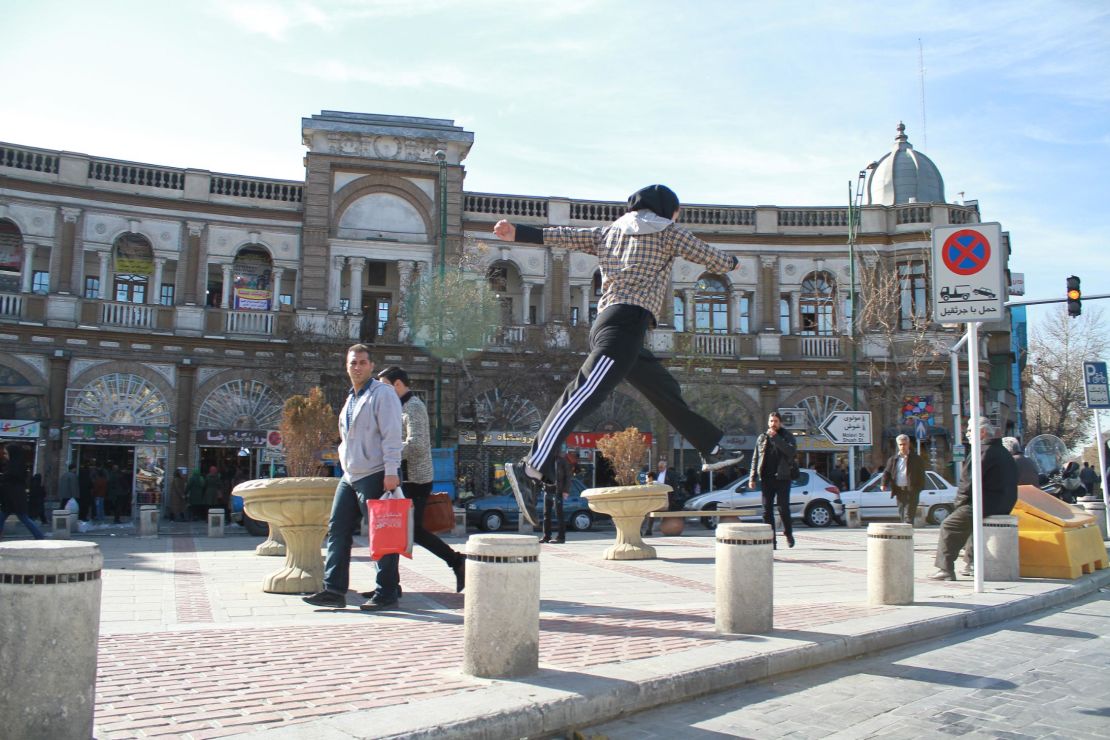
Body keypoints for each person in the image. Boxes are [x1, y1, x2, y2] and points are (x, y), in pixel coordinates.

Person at [493, 184, 743, 525]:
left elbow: (563, 235)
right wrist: (732, 262)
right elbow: (709, 257)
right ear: (666, 209)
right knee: (581, 395)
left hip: (618, 326)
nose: (676, 216)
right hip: (624, 327)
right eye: (676, 211)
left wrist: (519, 231)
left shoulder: (610, 232)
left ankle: (710, 447)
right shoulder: (669, 232)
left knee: (663, 388)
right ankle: (531, 466)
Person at [303, 344, 403, 611]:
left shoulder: (382, 394)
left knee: (381, 535)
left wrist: (392, 471)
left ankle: (387, 592)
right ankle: (334, 590)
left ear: (371, 366)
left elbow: (392, 434)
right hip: (350, 474)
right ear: (346, 366)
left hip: (376, 473)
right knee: (337, 530)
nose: (357, 367)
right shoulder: (351, 399)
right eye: (353, 363)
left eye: (362, 362)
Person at [376, 366, 465, 592]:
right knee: (397, 529)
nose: (381, 392)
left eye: (384, 386)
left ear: (397, 384)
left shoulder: (413, 406)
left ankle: (455, 560)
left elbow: (416, 444)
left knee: (412, 531)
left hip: (416, 479)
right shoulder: (398, 407)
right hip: (403, 478)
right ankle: (389, 584)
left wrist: (388, 454)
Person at [929, 417, 1017, 580]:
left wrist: (958, 505)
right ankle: (971, 563)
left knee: (949, 525)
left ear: (981, 432)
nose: (967, 434)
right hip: (1004, 503)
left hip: (985, 503)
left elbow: (966, 484)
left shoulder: (982, 451)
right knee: (969, 524)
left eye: (969, 430)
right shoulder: (1003, 452)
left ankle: (945, 568)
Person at [748, 411, 798, 549]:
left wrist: (776, 438)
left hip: (783, 478)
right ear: (768, 422)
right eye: (771, 421)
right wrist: (752, 477)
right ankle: (771, 540)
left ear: (780, 422)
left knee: (783, 508)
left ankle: (788, 533)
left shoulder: (787, 436)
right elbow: (755, 458)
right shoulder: (762, 438)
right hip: (766, 478)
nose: (773, 424)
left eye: (776, 421)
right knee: (766, 510)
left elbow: (791, 452)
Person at [0, 444, 45, 539]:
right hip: (11, 499)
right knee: (3, 516)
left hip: (15, 498)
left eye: (6, 453)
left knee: (23, 518)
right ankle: (39, 536)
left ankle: (39, 536)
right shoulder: (15, 465)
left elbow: (9, 480)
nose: (4, 455)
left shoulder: (14, 468)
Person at [881, 434, 927, 524]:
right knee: (902, 513)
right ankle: (905, 534)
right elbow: (887, 472)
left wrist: (919, 488)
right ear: (898, 445)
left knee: (909, 515)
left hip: (912, 491)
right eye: (900, 444)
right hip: (899, 490)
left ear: (908, 444)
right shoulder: (893, 459)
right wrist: (883, 484)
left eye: (904, 444)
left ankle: (907, 532)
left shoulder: (916, 459)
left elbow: (922, 475)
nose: (902, 446)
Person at [541, 447, 572, 544]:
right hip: (547, 490)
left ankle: (561, 537)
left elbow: (568, 476)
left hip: (558, 491)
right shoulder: (545, 461)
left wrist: (566, 491)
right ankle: (546, 536)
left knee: (559, 514)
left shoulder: (562, 461)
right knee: (546, 515)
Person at [642, 458, 679, 537]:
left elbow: (674, 486)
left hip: (667, 499)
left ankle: (665, 529)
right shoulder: (657, 474)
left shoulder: (671, 474)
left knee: (664, 515)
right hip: (657, 498)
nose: (660, 468)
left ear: (665, 466)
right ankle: (649, 530)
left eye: (661, 467)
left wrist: (674, 498)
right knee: (651, 513)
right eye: (659, 467)